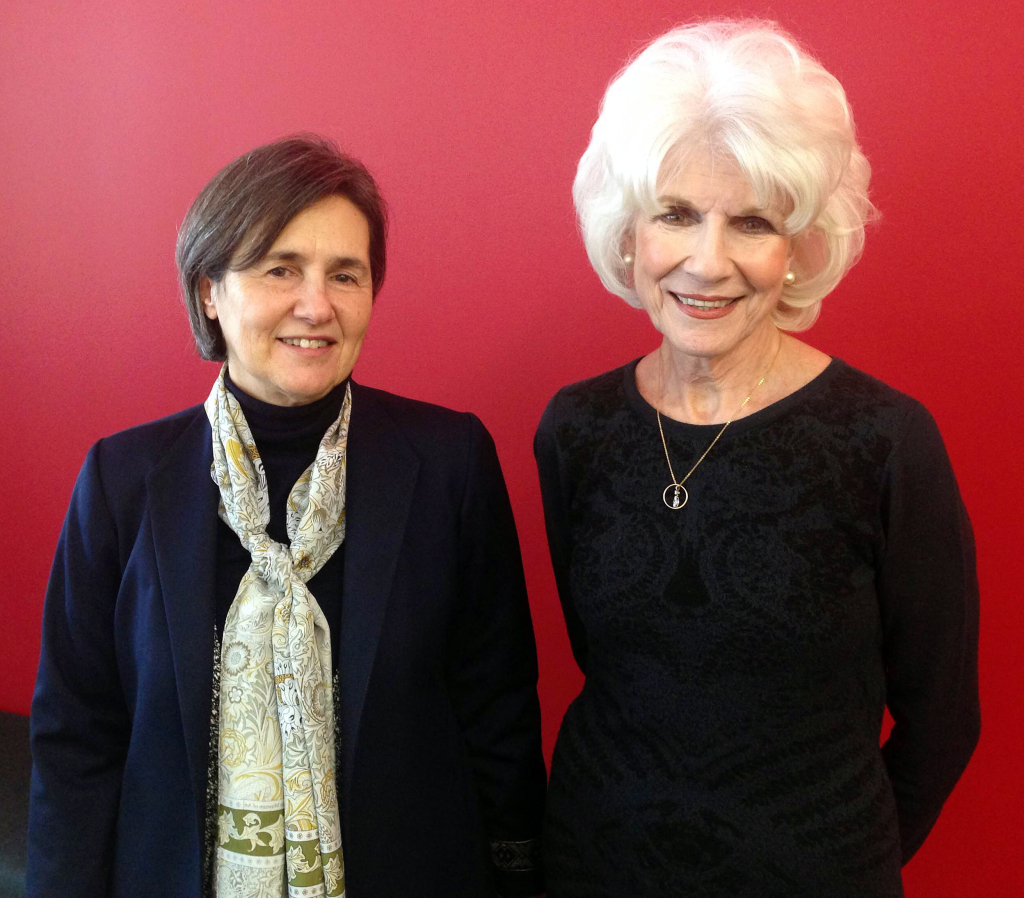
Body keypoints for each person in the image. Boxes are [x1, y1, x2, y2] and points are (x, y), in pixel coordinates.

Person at [28, 135, 545, 898]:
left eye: (346, 274)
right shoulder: (123, 479)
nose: (318, 305)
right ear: (211, 290)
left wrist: (519, 871)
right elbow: (78, 735)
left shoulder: (448, 464)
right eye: (281, 269)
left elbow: (496, 706)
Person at [535, 21, 979, 897]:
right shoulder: (576, 429)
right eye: (675, 215)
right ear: (628, 232)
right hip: (595, 870)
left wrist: (841, 857)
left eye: (751, 222)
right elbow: (606, 659)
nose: (708, 262)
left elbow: (944, 720)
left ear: (798, 246)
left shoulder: (885, 439)